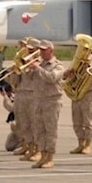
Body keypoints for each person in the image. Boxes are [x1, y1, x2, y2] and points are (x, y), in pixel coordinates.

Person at [27, 39, 64, 169]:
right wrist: (30, 69)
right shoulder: (39, 65)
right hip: (39, 100)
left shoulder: (57, 65)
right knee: (39, 130)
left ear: (51, 51)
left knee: (50, 130)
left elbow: (52, 78)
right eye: (40, 50)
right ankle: (42, 155)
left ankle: (50, 157)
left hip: (52, 101)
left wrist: (37, 68)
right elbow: (29, 79)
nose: (41, 52)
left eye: (44, 50)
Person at [63, 47, 92, 155]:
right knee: (77, 120)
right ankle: (80, 143)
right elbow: (69, 74)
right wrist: (68, 75)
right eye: (82, 49)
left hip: (88, 93)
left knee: (87, 120)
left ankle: (88, 144)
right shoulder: (77, 60)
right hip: (77, 92)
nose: (83, 51)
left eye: (86, 49)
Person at [13, 39, 42, 163]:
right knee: (24, 124)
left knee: (35, 124)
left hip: (34, 95)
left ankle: (38, 150)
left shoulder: (40, 63)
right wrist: (14, 72)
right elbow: (16, 82)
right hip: (22, 94)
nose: (29, 50)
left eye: (32, 49)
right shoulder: (24, 60)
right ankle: (29, 148)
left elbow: (37, 77)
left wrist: (33, 65)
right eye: (28, 48)